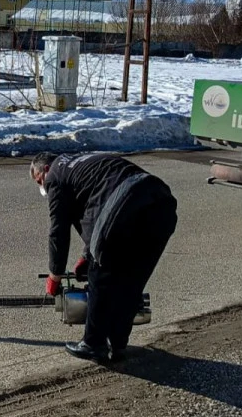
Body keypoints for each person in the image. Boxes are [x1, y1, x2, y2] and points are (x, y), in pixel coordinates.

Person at [30, 151, 178, 360]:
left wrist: (56, 275)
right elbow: (95, 213)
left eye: (39, 181)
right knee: (131, 278)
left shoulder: (55, 175)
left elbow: (58, 230)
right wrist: (85, 256)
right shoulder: (82, 162)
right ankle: (117, 343)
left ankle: (93, 343)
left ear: (45, 169)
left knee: (99, 275)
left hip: (127, 200)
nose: (43, 187)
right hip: (161, 202)